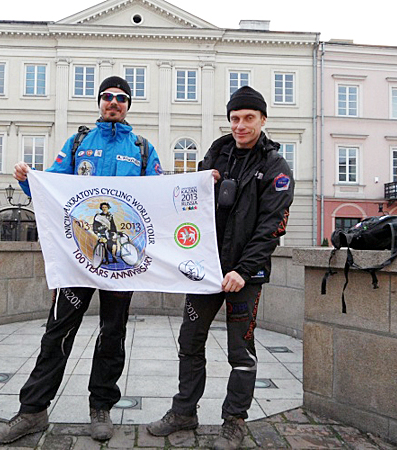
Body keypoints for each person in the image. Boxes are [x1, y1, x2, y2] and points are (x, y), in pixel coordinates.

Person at [0, 76, 163, 444]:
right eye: (107, 96)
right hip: (77, 258)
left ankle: (101, 407)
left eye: (121, 98)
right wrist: (27, 180)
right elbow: (52, 186)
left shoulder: (143, 149)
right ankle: (32, 410)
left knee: (112, 334)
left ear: (128, 105)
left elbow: (160, 196)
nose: (113, 102)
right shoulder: (79, 142)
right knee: (58, 331)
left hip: (120, 264)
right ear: (99, 102)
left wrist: (198, 185)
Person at [147, 86, 294, 450]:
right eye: (235, 118)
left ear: (262, 120)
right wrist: (202, 181)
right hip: (206, 271)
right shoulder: (216, 153)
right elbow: (191, 204)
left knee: (240, 351)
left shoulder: (275, 167)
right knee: (189, 341)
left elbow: (272, 226)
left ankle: (234, 421)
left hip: (245, 276)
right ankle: (184, 412)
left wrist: (243, 270)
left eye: (248, 118)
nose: (240, 125)